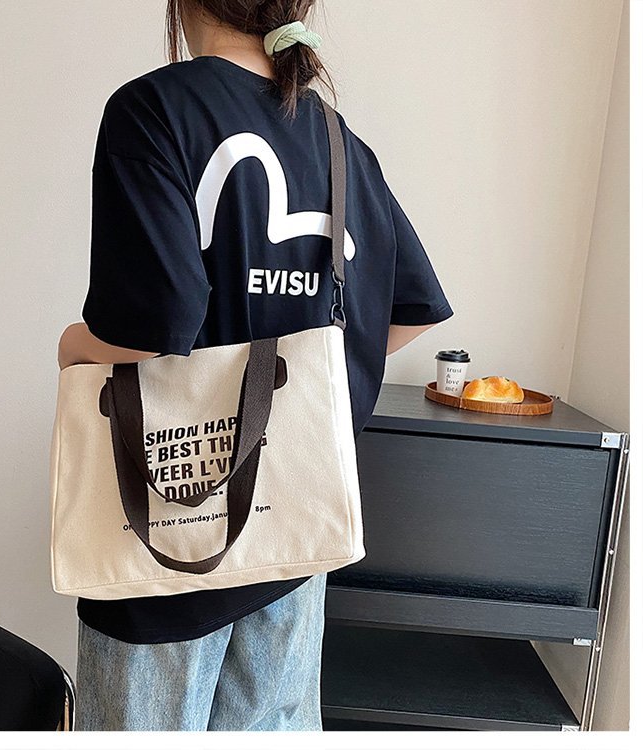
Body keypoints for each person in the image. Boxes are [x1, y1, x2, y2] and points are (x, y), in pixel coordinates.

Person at [57, 0, 454, 732]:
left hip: (169, 532)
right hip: (292, 533)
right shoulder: (338, 140)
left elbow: (156, 322)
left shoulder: (155, 109)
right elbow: (411, 310)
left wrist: (75, 347)